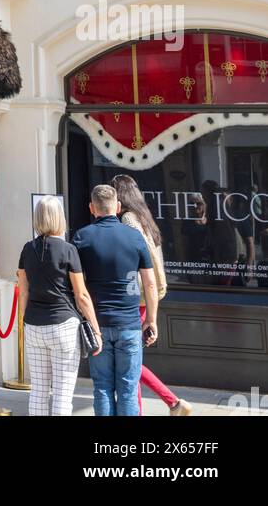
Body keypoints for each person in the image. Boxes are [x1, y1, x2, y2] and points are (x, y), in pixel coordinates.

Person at [73, 183, 158, 417]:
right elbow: (150, 284)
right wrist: (151, 320)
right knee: (128, 389)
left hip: (97, 324)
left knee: (102, 387)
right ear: (118, 207)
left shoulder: (81, 237)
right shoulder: (134, 237)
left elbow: (76, 285)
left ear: (92, 208)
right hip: (129, 323)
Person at [111, 174, 192, 417]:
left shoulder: (127, 219)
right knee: (131, 360)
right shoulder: (144, 218)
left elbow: (136, 260)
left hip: (134, 296)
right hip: (146, 295)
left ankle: (170, 403)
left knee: (129, 361)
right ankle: (171, 404)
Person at [17, 195, 102, 416]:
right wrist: (96, 329)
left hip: (34, 324)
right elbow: (81, 295)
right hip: (63, 325)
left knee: (38, 391)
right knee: (63, 395)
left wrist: (23, 322)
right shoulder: (68, 250)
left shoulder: (27, 249)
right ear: (59, 218)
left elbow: (23, 291)